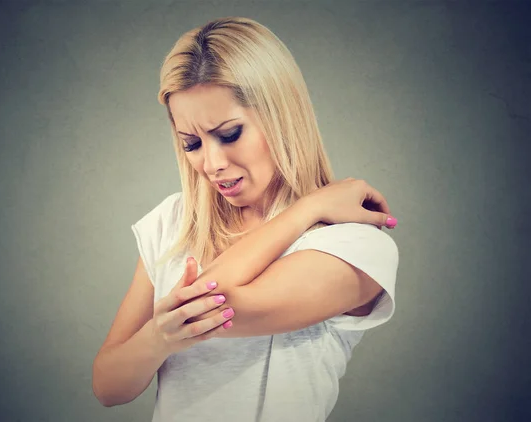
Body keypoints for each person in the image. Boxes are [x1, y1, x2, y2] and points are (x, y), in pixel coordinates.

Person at [92, 16, 399, 422]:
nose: (212, 163)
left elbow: (207, 304)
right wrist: (157, 338)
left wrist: (305, 210)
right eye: (192, 143)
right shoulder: (172, 222)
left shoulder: (353, 243)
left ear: (281, 115)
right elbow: (108, 386)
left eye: (230, 133)